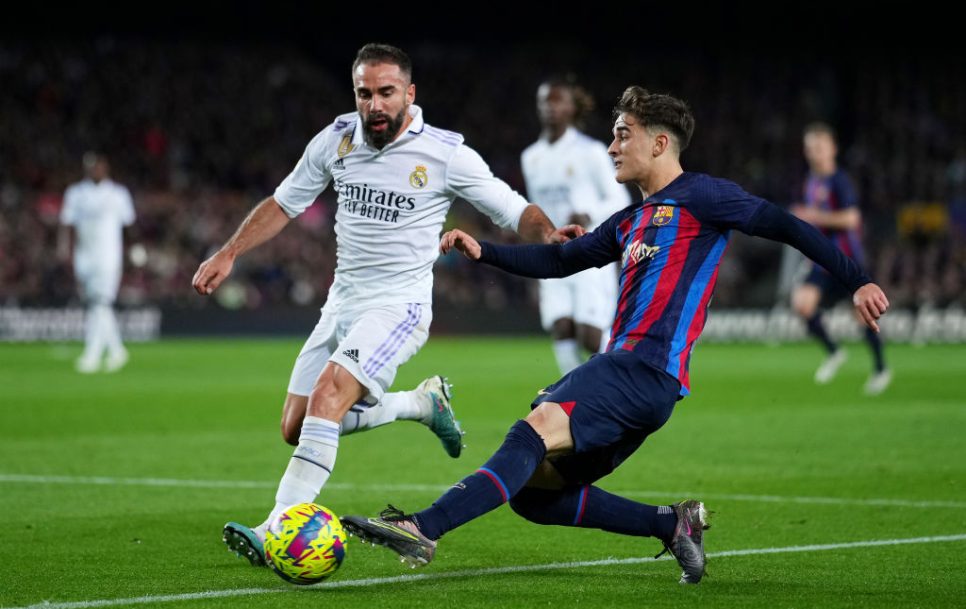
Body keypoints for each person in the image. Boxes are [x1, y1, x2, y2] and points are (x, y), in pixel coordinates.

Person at [342, 87, 889, 585]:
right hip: (637, 379)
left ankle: (424, 527)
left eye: (623, 135)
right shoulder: (631, 222)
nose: (611, 147)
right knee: (536, 495)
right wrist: (486, 252)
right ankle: (671, 524)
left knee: (530, 434)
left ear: (659, 142)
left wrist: (857, 279)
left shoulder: (704, 197)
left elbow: (787, 225)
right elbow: (562, 258)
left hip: (644, 367)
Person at [190, 43, 561, 568]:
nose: (375, 104)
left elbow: (511, 207)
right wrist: (230, 251)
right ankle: (420, 404)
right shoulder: (336, 139)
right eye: (365, 93)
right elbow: (283, 202)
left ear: (409, 93)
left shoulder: (444, 153)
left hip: (400, 304)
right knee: (297, 426)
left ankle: (275, 528)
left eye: (386, 92)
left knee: (329, 394)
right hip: (342, 302)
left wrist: (551, 235)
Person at [521, 77, 630, 375]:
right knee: (561, 327)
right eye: (545, 100)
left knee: (590, 335)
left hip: (589, 250)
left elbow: (619, 198)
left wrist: (588, 213)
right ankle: (573, 396)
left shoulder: (591, 152)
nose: (551, 107)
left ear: (572, 108)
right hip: (552, 253)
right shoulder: (531, 157)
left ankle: (624, 379)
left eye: (558, 101)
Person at [790, 122, 891, 395]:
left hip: (847, 260)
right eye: (810, 148)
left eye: (819, 147)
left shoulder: (839, 180)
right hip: (822, 261)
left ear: (832, 149)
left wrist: (812, 216)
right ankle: (834, 352)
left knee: (863, 317)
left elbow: (851, 218)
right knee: (802, 304)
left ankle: (881, 369)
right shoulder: (811, 182)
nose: (814, 153)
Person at [59, 152, 135, 373]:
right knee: (96, 305)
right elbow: (67, 224)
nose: (96, 171)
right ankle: (117, 350)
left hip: (109, 256)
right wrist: (66, 252)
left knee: (99, 302)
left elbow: (129, 227)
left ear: (106, 168)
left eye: (99, 167)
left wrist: (133, 253)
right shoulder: (75, 193)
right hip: (84, 256)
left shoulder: (118, 194)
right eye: (92, 167)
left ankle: (92, 354)